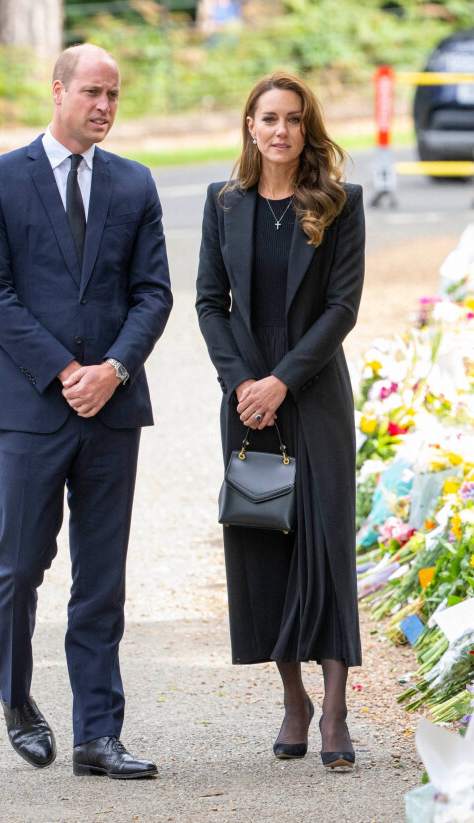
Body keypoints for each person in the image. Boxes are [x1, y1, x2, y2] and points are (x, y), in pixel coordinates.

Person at [0, 43, 172, 779]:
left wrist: (113, 369)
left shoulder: (135, 184)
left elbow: (155, 293)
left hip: (113, 409)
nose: (105, 107)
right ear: (57, 91)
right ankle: (18, 699)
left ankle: (98, 733)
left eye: (114, 95)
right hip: (28, 406)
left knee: (101, 578)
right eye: (92, 92)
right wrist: (64, 371)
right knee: (20, 566)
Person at [196, 71, 364, 769]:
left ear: (307, 128)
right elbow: (210, 300)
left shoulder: (340, 202)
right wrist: (245, 385)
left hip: (314, 393)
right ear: (249, 126)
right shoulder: (223, 202)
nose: (281, 130)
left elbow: (342, 308)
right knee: (265, 545)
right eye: (269, 117)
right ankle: (292, 699)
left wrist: (281, 381)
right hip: (246, 403)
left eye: (294, 119)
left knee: (324, 545)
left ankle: (334, 709)